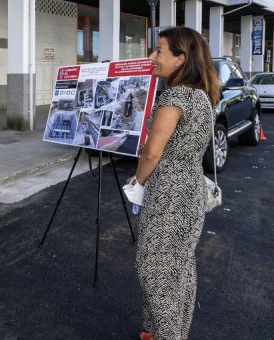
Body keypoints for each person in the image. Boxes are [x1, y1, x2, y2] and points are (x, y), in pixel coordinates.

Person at [126, 26, 220, 340]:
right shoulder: (202, 96)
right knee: (179, 268)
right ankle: (170, 333)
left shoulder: (176, 95)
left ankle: (165, 335)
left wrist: (136, 181)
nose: (152, 57)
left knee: (153, 268)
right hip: (191, 190)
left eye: (159, 51)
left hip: (169, 193)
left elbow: (153, 153)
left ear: (180, 59)